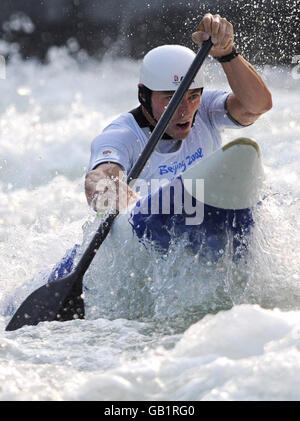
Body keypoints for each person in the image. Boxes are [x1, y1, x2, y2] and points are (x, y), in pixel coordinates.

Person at [85, 13, 272, 215]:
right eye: (170, 98)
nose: (185, 110)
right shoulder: (121, 135)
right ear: (143, 95)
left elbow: (256, 106)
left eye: (192, 96)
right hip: (147, 230)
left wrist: (227, 53)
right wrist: (112, 193)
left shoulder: (206, 109)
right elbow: (99, 176)